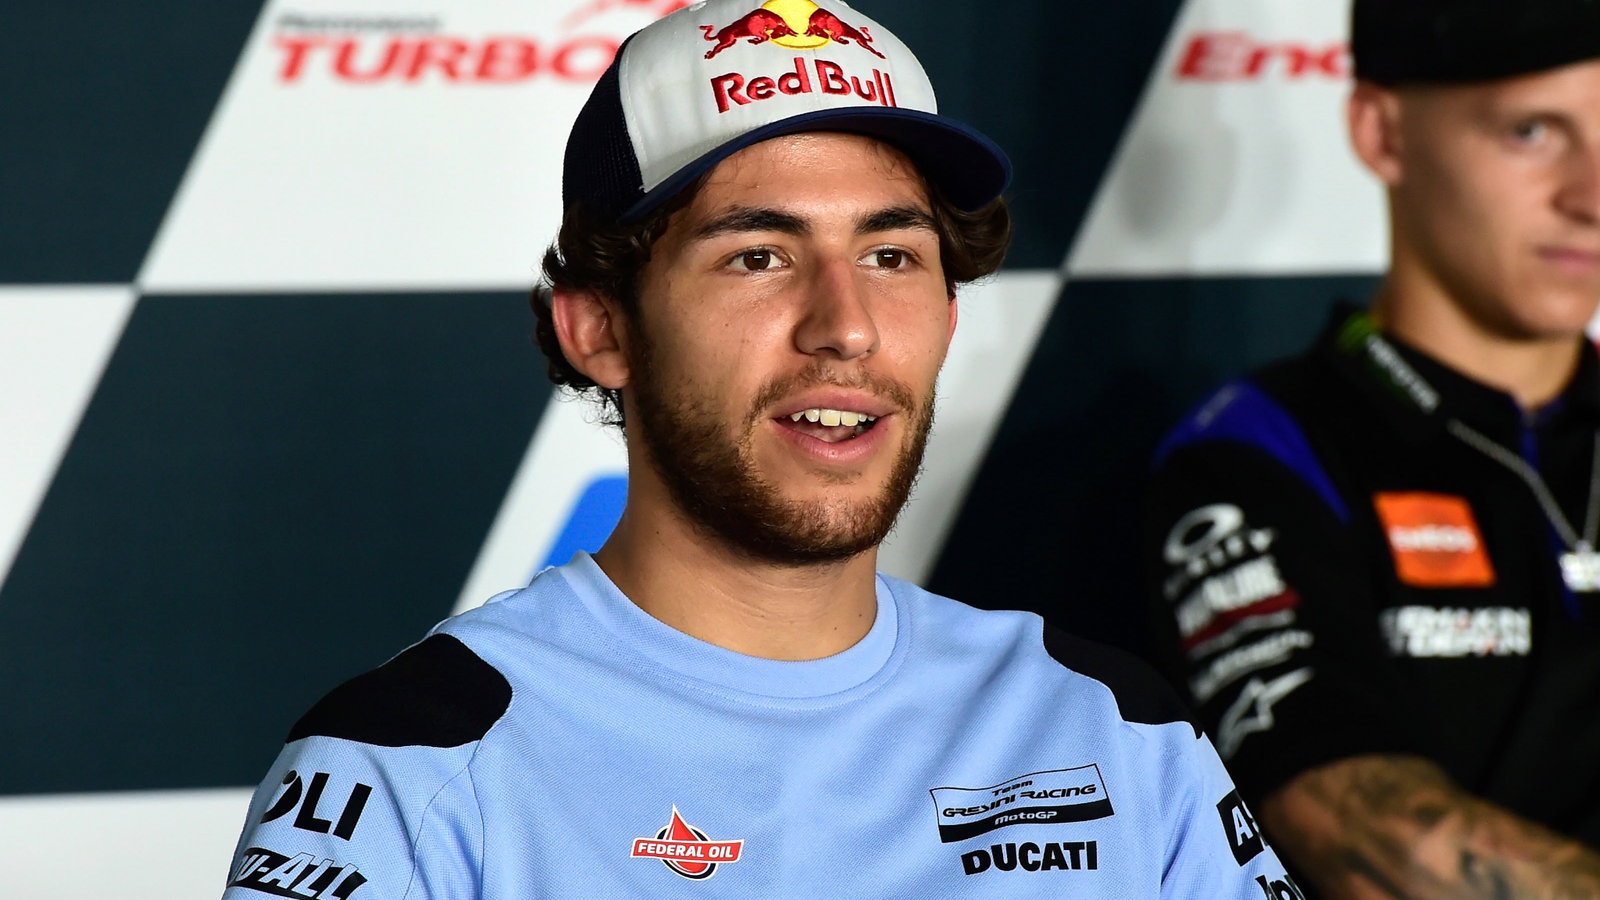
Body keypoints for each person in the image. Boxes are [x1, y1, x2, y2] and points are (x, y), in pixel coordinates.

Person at [221, 1, 1297, 896]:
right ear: (599, 329)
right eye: (758, 256)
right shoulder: (410, 764)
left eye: (890, 254)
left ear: (948, 311)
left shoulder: (1110, 726)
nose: (847, 326)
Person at [1143, 0, 1600, 895]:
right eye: (1532, 131)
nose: (1590, 195)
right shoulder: (1258, 453)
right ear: (1383, 133)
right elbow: (1362, 833)